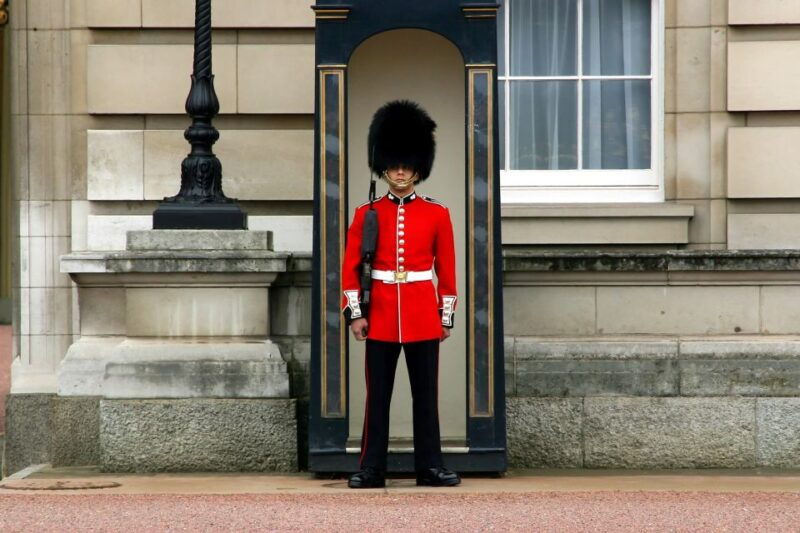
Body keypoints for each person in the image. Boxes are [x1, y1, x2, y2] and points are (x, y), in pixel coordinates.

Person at [341, 99, 461, 489]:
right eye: (394, 164)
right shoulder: (366, 214)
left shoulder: (437, 214)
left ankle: (429, 467)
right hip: (379, 317)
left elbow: (447, 271)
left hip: (422, 315)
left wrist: (445, 316)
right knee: (378, 399)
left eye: (407, 165)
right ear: (384, 165)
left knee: (425, 397)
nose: (400, 171)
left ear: (418, 167)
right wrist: (355, 313)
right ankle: (372, 468)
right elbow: (350, 268)